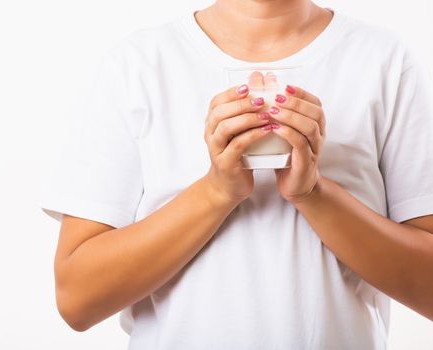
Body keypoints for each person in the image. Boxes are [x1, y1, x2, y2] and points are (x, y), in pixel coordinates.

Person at [41, 0, 433, 348]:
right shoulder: (138, 65)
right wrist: (216, 192)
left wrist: (313, 194)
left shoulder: (384, 60)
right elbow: (78, 299)